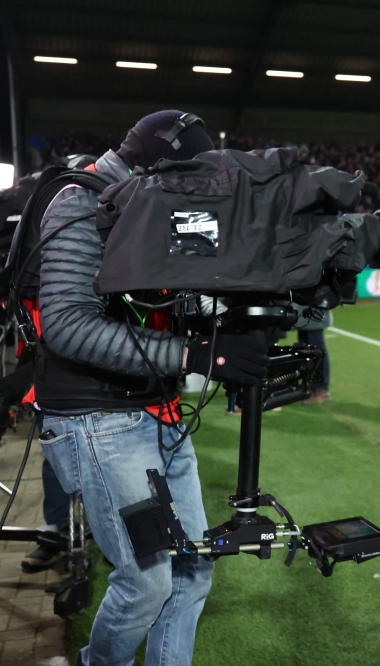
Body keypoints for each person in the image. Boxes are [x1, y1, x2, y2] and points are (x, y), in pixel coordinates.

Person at [35, 110, 269, 666]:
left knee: (191, 568)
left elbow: (186, 297)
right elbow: (66, 326)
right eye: (187, 180)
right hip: (96, 420)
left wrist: (237, 308)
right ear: (157, 166)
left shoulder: (152, 205)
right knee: (147, 581)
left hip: (155, 412)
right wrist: (198, 355)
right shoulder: (78, 202)